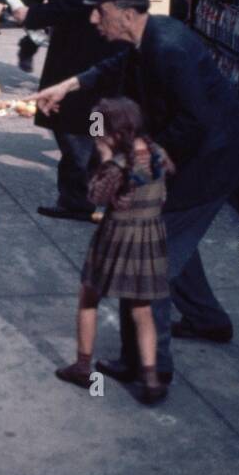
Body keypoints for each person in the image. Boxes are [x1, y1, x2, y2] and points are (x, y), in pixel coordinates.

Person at [32, 0, 239, 387]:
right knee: (171, 243)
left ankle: (150, 367)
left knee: (149, 264)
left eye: (102, 12)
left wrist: (134, 166)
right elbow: (117, 65)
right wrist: (69, 85)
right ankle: (207, 320)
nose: (94, 19)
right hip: (208, 159)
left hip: (211, 165)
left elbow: (194, 122)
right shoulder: (147, 38)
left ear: (127, 14)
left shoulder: (168, 48)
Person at [9, 0, 120, 221]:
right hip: (91, 43)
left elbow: (75, 3)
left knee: (70, 120)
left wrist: (33, 15)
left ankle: (79, 198)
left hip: (82, 47)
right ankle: (95, 189)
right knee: (85, 119)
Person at [54, 96, 173, 406]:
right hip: (148, 238)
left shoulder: (117, 166)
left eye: (98, 129)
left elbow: (95, 196)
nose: (95, 135)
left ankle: (82, 366)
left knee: (88, 297)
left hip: (117, 237)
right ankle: (150, 377)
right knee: (141, 309)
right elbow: (166, 178)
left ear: (116, 133)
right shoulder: (156, 152)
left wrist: (105, 157)